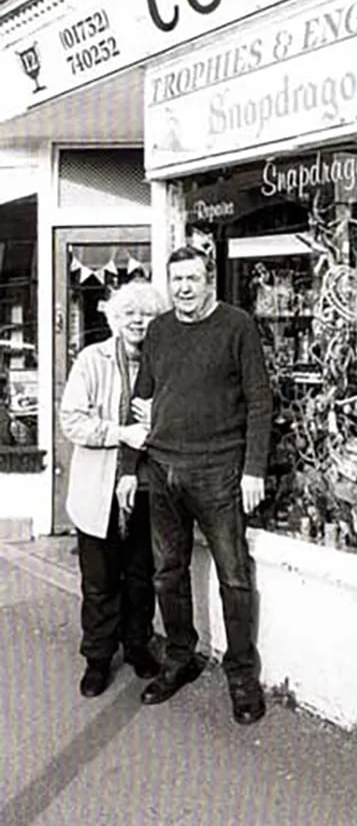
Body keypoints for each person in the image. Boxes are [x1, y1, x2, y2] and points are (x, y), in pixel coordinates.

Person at [116, 245, 272, 724]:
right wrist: (128, 466)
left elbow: (260, 401)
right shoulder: (160, 331)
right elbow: (142, 399)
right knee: (168, 571)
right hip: (163, 470)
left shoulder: (237, 326)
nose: (184, 288)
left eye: (193, 279)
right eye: (177, 279)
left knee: (233, 576)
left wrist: (253, 469)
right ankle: (180, 658)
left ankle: (242, 676)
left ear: (210, 282)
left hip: (219, 472)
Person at [60, 279, 165, 698]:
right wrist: (122, 432)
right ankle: (98, 659)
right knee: (100, 582)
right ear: (114, 319)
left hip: (147, 488)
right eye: (129, 314)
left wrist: (157, 424)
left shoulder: (164, 363)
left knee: (141, 578)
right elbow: (72, 421)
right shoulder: (92, 359)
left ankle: (137, 646)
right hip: (98, 491)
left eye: (146, 314)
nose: (138, 321)